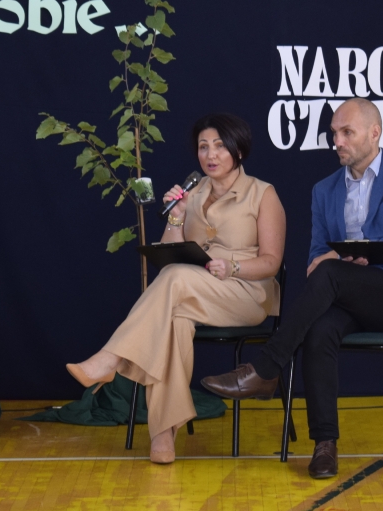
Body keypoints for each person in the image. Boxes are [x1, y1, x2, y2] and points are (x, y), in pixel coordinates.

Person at [201, 98, 383, 479]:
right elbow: (316, 257)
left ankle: (266, 367)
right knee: (319, 328)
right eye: (334, 133)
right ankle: (325, 444)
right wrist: (337, 262)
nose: (337, 141)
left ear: (375, 133)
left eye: (347, 132)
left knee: (331, 274)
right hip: (348, 295)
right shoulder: (324, 190)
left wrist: (342, 260)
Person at [66, 113, 286, 464]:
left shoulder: (263, 194)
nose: (210, 155)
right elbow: (170, 254)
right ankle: (163, 434)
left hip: (246, 293)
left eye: (219, 146)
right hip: (192, 292)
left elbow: (272, 262)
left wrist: (232, 266)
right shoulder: (193, 193)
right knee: (174, 322)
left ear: (239, 150)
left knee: (175, 280)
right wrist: (177, 215)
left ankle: (112, 358)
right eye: (203, 147)